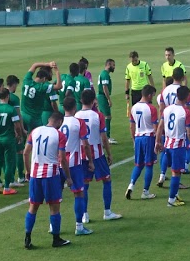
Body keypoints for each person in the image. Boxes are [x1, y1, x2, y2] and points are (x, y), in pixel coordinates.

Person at [24, 111, 71, 249]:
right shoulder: (59, 135)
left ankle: (27, 238)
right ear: (60, 122)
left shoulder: (35, 131)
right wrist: (68, 177)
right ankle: (56, 239)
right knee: (54, 207)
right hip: (50, 175)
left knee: (33, 207)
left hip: (35, 174)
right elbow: (62, 158)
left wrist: (27, 170)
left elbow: (26, 152)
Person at [79, 88, 121, 222]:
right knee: (106, 180)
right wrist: (109, 154)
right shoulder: (98, 116)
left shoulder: (76, 116)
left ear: (81, 100)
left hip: (82, 154)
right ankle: (107, 212)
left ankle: (84, 214)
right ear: (93, 101)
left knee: (84, 184)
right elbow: (104, 138)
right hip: (97, 154)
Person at [155, 83, 190, 209]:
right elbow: (189, 132)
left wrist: (157, 141)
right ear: (187, 97)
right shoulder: (186, 112)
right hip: (178, 146)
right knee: (176, 173)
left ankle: (175, 194)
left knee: (173, 171)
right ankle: (171, 200)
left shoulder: (167, 109)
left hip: (167, 144)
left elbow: (160, 126)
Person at [60, 93, 91, 235]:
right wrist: (90, 161)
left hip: (58, 162)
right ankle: (79, 226)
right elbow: (85, 145)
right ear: (74, 107)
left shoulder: (57, 122)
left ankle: (53, 226)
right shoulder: (79, 122)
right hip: (74, 163)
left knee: (56, 196)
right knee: (79, 193)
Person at [125, 84, 158, 200]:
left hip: (138, 137)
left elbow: (131, 127)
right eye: (152, 96)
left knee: (138, 165)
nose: (153, 98)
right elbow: (155, 128)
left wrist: (134, 140)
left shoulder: (134, 108)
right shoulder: (151, 108)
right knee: (149, 165)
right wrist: (158, 141)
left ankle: (131, 186)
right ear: (149, 95)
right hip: (149, 138)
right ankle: (145, 191)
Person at [0, 87, 23, 194]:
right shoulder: (11, 109)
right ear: (8, 96)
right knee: (9, 162)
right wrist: (19, 136)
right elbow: (17, 126)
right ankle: (7, 188)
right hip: (8, 138)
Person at [21, 61, 60, 132]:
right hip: (34, 117)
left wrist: (48, 64)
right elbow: (59, 86)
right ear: (44, 79)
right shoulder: (42, 87)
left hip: (23, 115)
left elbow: (34, 65)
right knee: (37, 136)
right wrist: (57, 71)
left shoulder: (26, 80)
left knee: (24, 137)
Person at [6, 74, 27, 184]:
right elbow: (18, 116)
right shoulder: (14, 98)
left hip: (2, 130)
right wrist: (22, 130)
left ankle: (4, 180)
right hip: (13, 129)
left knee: (4, 155)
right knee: (19, 151)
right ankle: (20, 176)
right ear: (13, 84)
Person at [97, 58, 116, 142]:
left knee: (104, 116)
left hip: (101, 97)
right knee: (107, 116)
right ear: (108, 64)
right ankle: (106, 137)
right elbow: (105, 87)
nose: (114, 67)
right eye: (113, 65)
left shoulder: (103, 73)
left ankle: (103, 136)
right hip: (103, 97)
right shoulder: (105, 75)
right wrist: (109, 99)